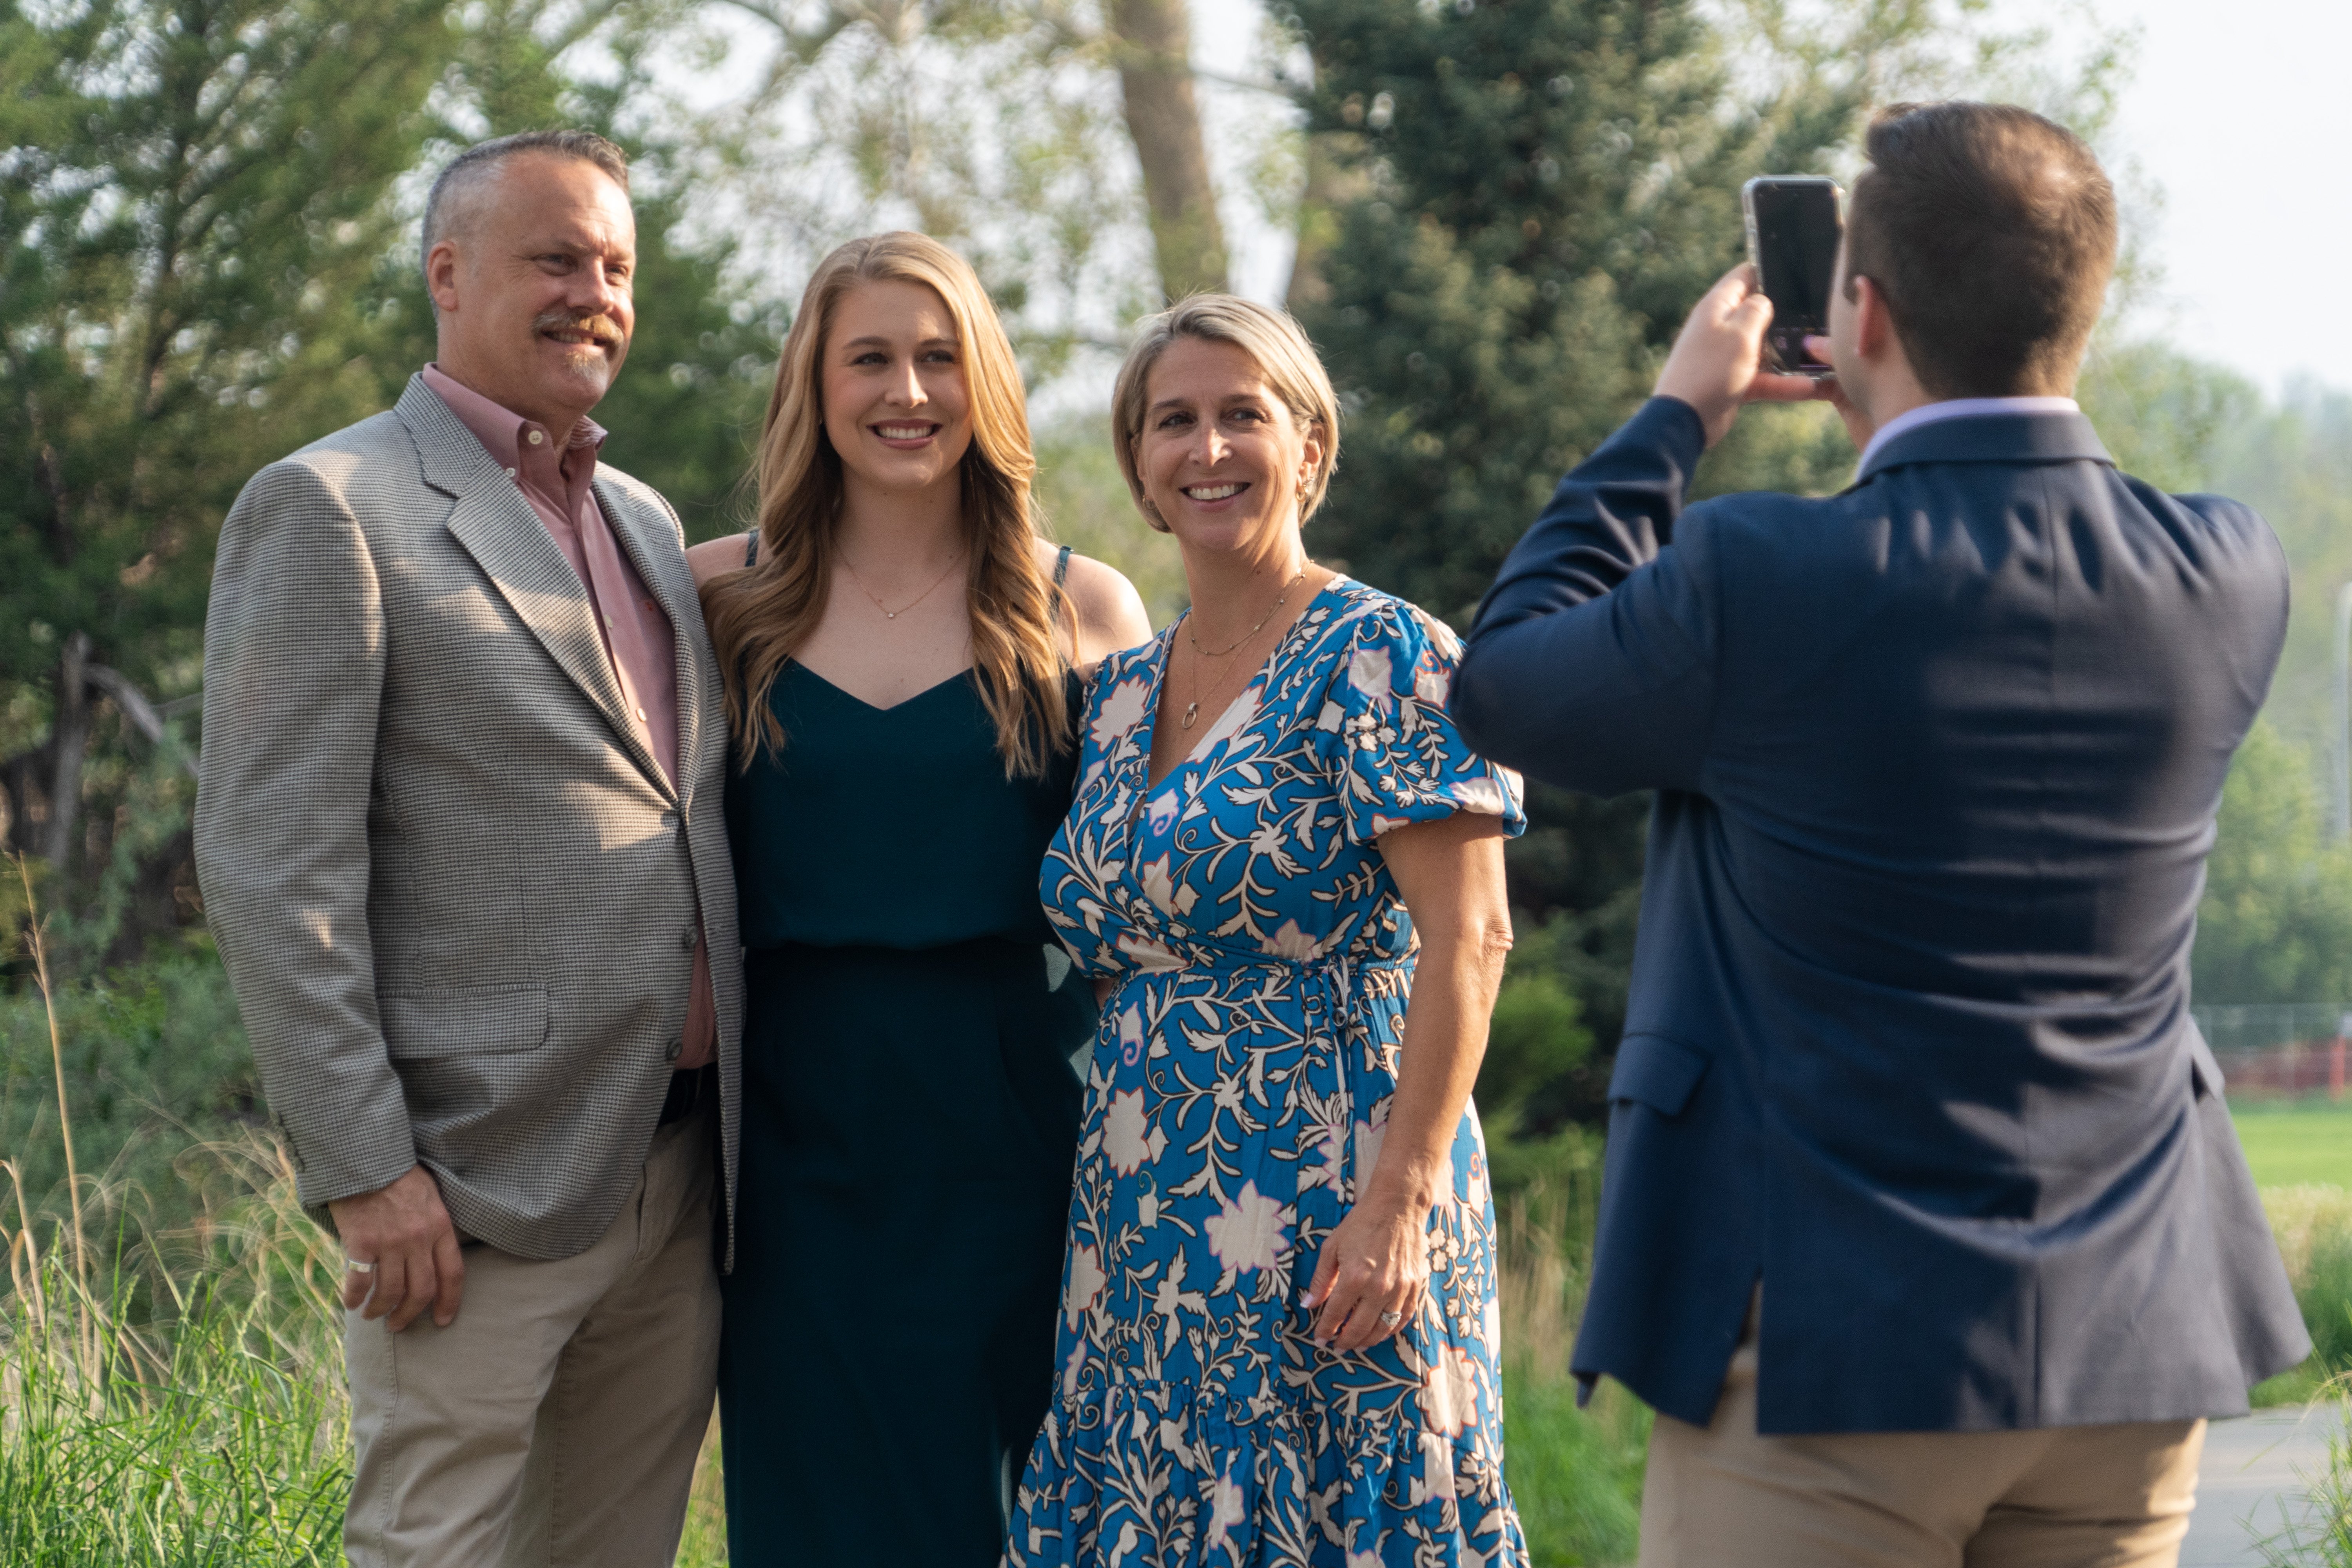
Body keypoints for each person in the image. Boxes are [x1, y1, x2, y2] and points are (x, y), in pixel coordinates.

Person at [1452, 101, 2309, 1568]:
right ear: (2081, 305)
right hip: (2127, 1346)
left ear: (1857, 307)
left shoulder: (1762, 577)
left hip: (1831, 1351)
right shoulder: (2227, 572)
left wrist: (1678, 418)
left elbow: (1506, 681)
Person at [193, 131, 741, 1568]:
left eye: (617, 266)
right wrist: (367, 1171)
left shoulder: (640, 520)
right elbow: (270, 867)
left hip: (681, 1181)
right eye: (556, 258)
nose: (595, 294)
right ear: (447, 274)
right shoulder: (330, 507)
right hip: (470, 1193)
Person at [1005, 294, 1531, 1567]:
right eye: (1174, 421)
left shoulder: (1386, 654)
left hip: (1337, 1188)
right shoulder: (1118, 694)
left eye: (1244, 414)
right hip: (1143, 1208)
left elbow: (1471, 939)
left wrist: (1398, 1202)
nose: (1209, 450)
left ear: (1310, 445)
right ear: (1136, 462)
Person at [684, 230, 1150, 1565]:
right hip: (791, 1145)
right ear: (814, 385)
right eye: (870, 358)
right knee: (813, 1502)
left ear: (985, 380)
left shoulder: (1079, 605)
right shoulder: (719, 596)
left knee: (1009, 1505)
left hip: (1024, 1127)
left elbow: (1141, 896)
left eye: (940, 356)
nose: (909, 390)